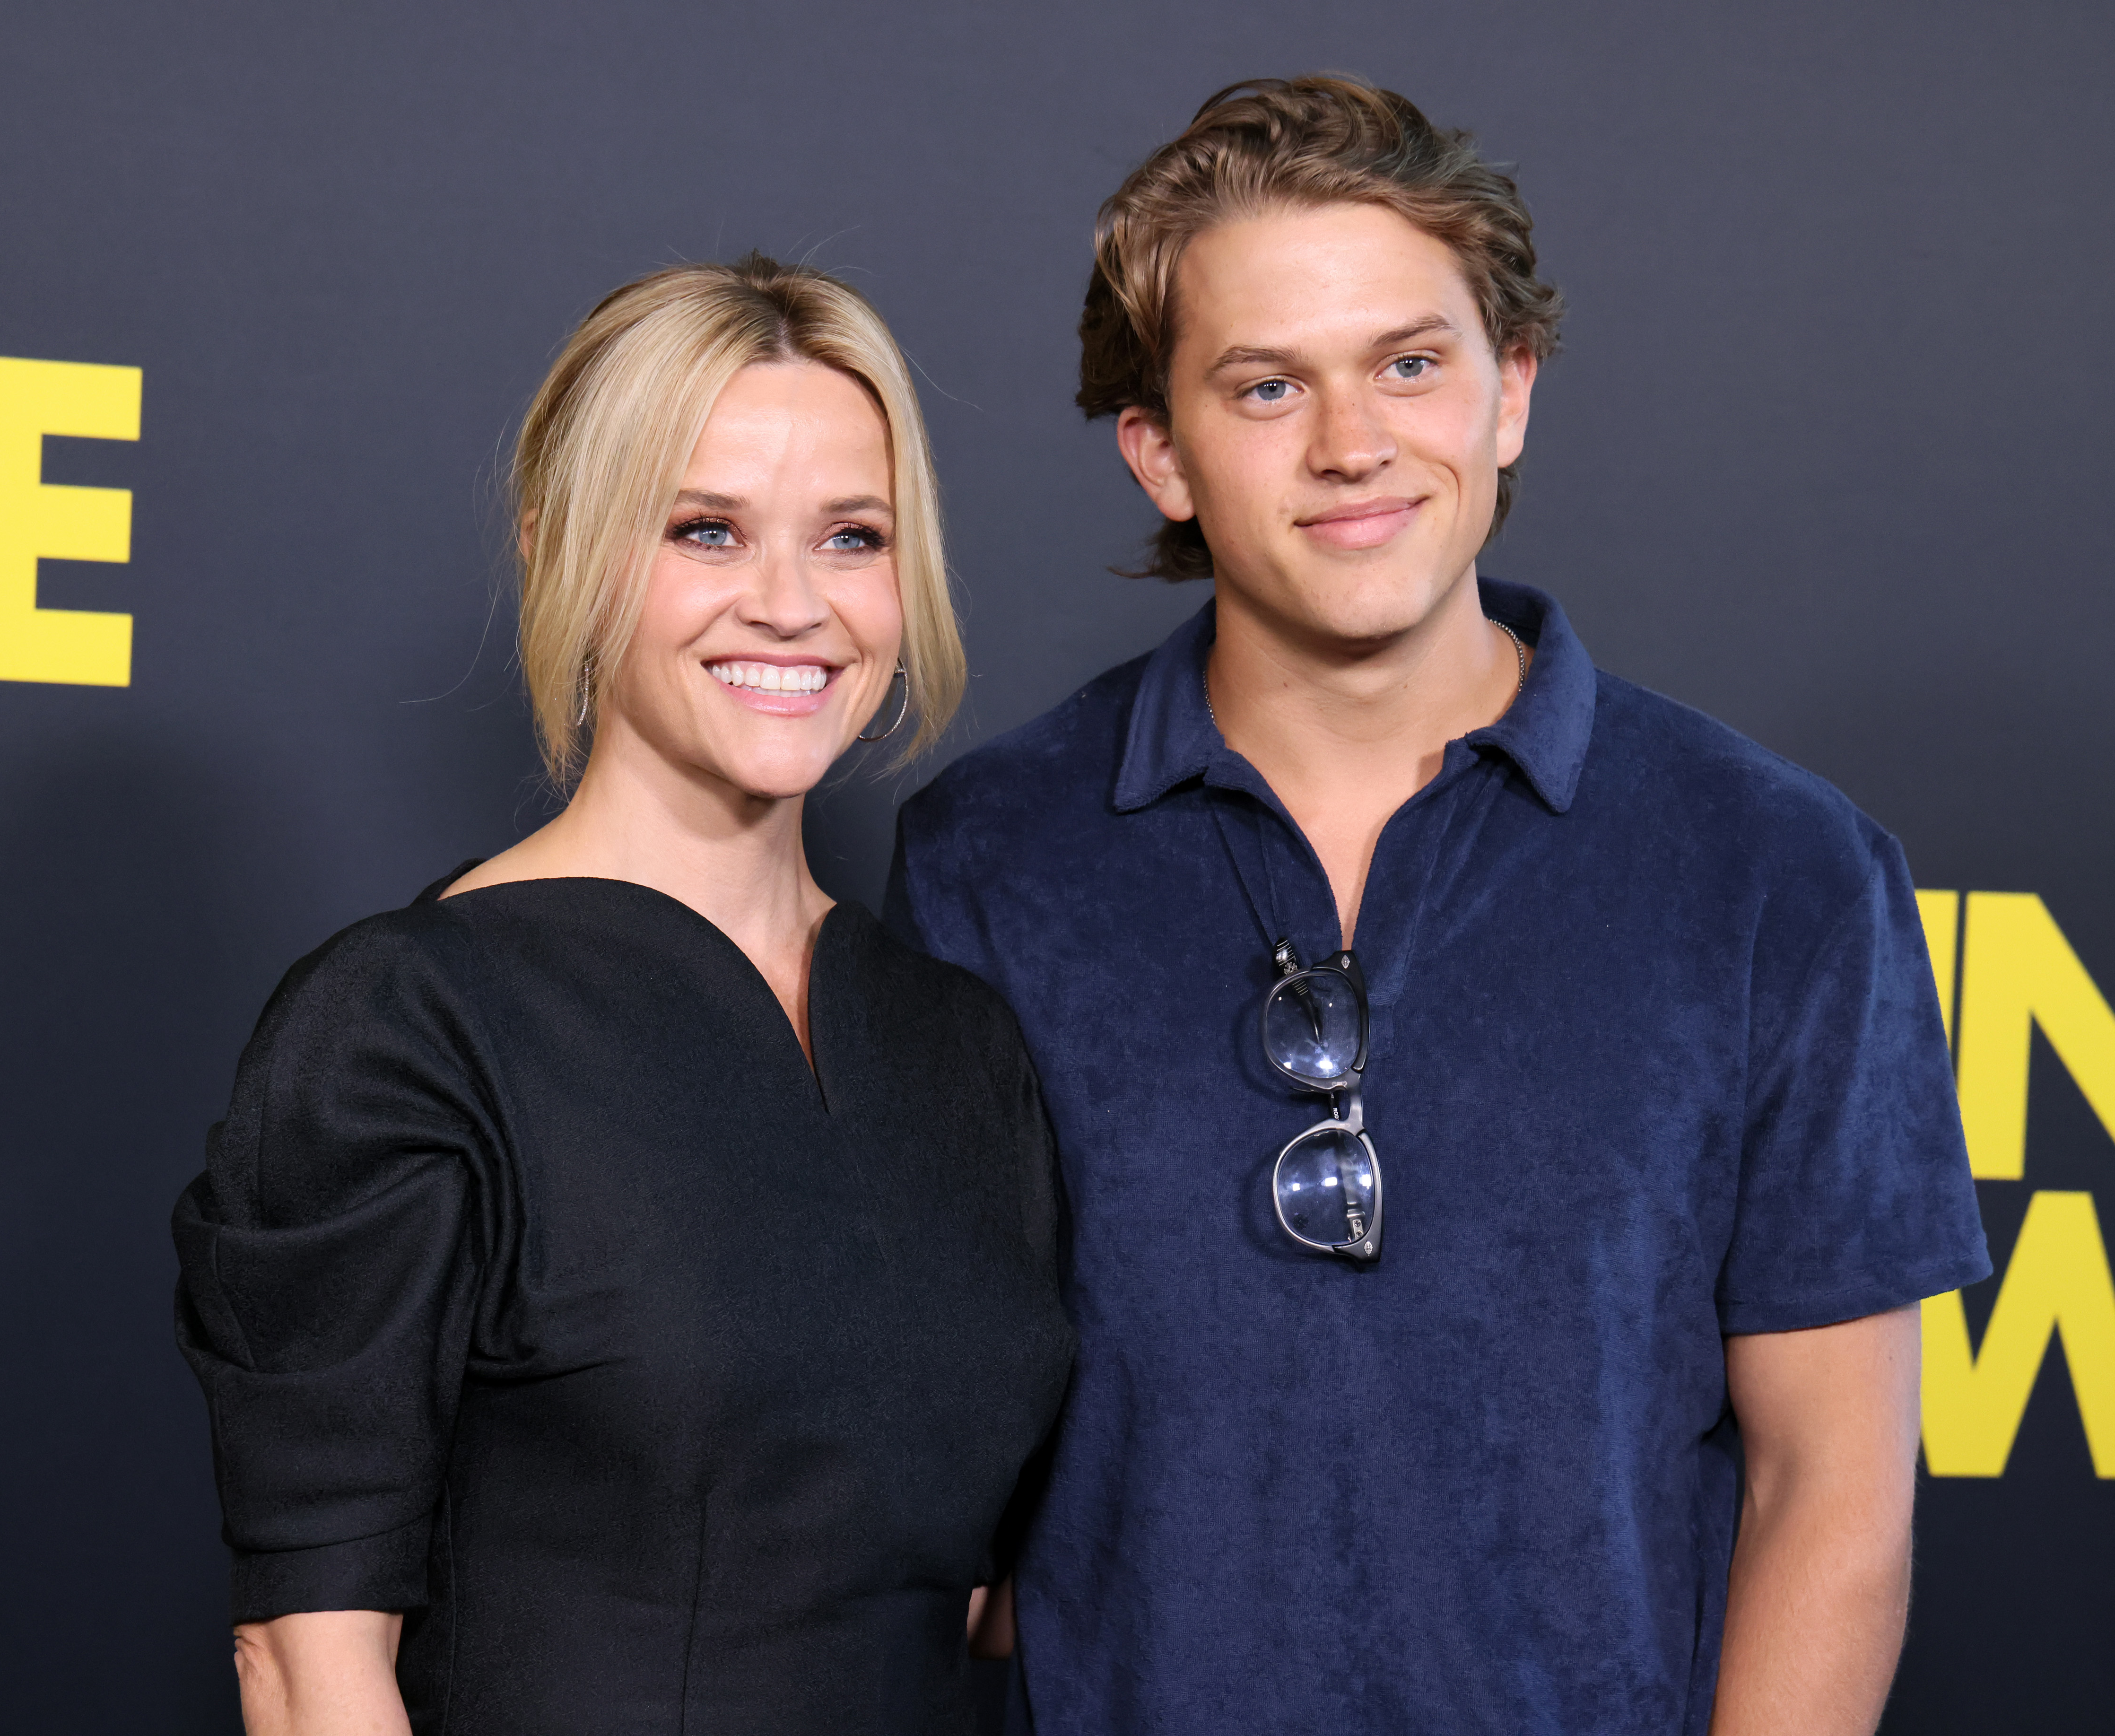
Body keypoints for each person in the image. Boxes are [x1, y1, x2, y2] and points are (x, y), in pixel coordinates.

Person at [888, 77, 1988, 1736]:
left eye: (1411, 363)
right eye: (1266, 386)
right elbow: (926, 1479)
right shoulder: (990, 855)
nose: (1353, 443)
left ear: (1512, 392)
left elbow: (1830, 1491)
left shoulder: (1781, 870)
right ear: (1159, 453)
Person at [174, 254, 1073, 1736]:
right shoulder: (408, 1022)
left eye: (852, 538)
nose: (791, 606)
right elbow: (307, 1662)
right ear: (565, 552)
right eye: (706, 532)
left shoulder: (958, 1041)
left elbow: (980, 1599)